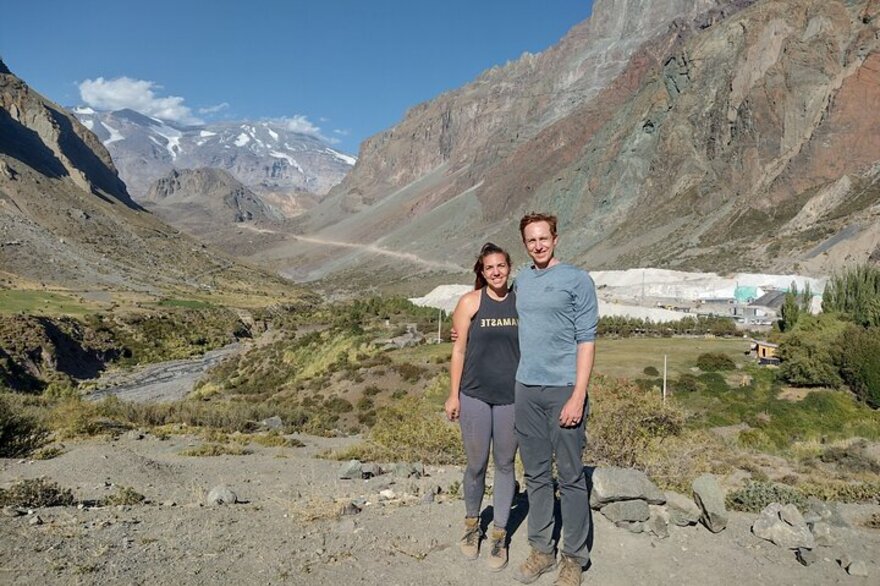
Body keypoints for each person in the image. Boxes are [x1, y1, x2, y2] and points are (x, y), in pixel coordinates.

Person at [512, 212, 598, 586]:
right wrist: (462, 331)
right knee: (535, 474)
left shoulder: (577, 280)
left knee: (571, 475)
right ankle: (542, 550)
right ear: (525, 244)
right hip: (526, 389)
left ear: (556, 239)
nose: (538, 245)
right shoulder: (522, 280)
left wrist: (578, 395)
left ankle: (574, 558)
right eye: (531, 240)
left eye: (543, 238)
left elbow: (586, 340)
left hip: (564, 388)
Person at [445, 242, 520, 572]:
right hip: (474, 394)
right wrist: (453, 395)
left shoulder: (522, 301)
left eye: (501, 265)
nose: (496, 272)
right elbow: (458, 350)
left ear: (509, 267)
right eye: (490, 267)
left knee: (505, 464)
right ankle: (472, 524)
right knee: (476, 464)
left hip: (511, 397)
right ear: (482, 271)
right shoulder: (470, 302)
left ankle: (499, 534)